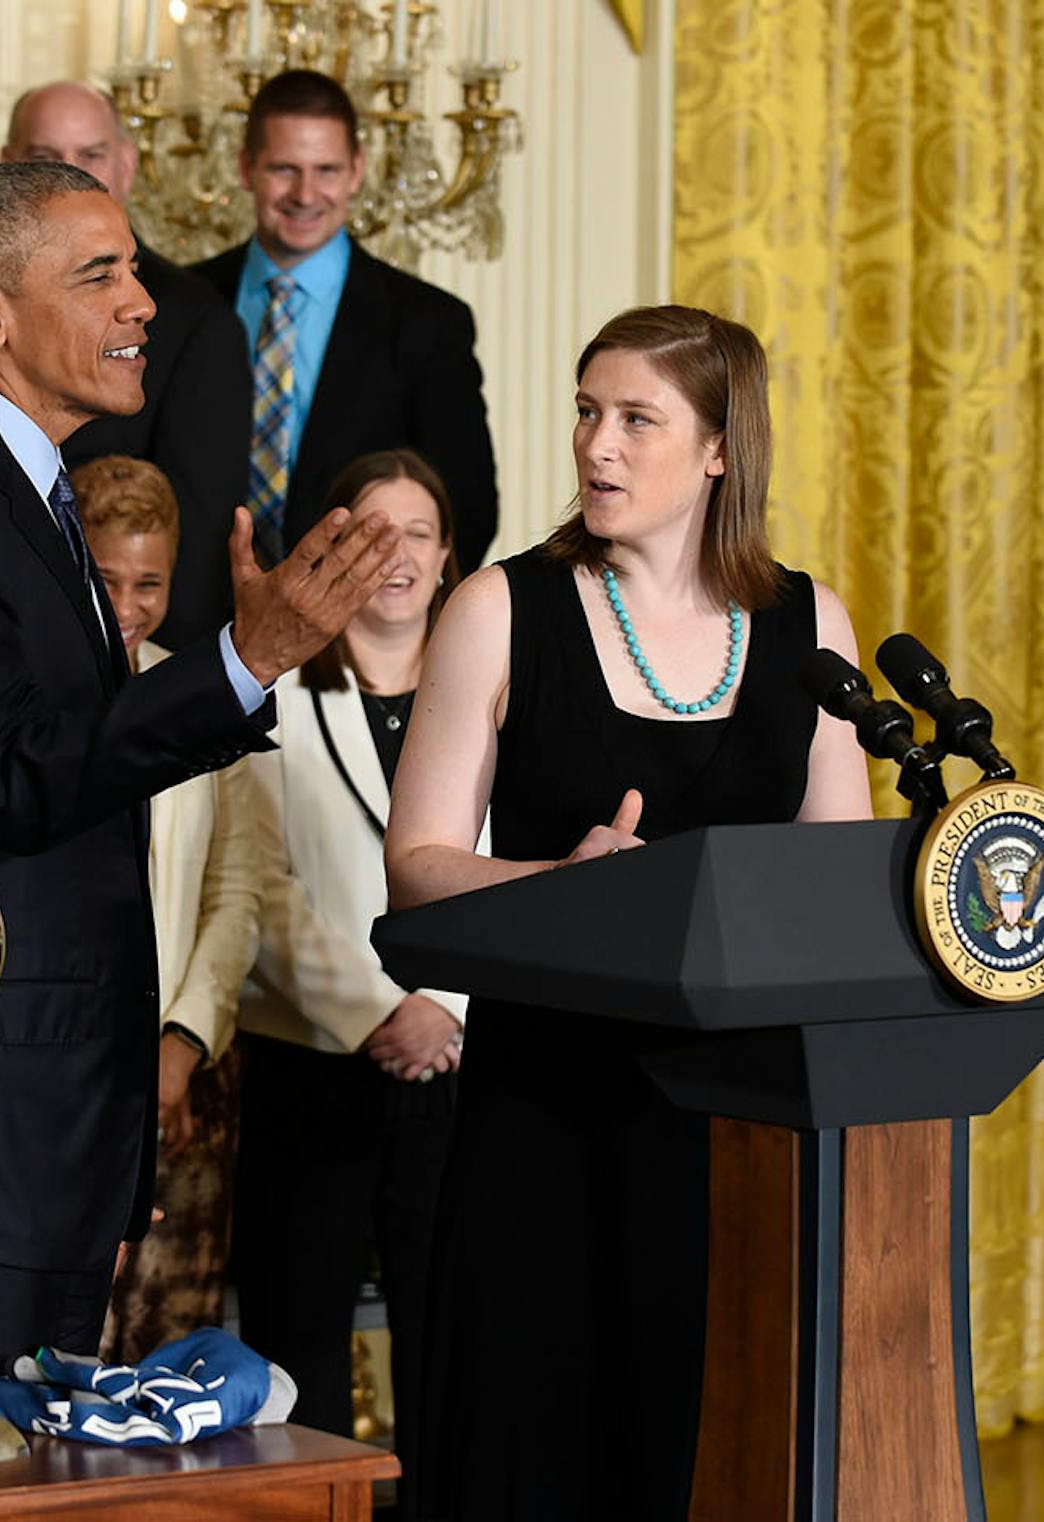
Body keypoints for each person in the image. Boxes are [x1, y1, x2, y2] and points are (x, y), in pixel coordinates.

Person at [0, 159, 402, 1359]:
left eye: (135, 269)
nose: (143, 301)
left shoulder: (25, 492)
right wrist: (246, 657)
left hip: (53, 1121)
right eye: (101, 275)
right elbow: (19, 776)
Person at [384, 305, 872, 1519]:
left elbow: (844, 881)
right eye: (587, 413)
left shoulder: (813, 628)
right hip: (541, 1114)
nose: (597, 446)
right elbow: (418, 865)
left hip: (743, 1126)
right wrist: (570, 885)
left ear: (719, 449)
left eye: (637, 420)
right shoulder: (499, 609)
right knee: (533, 1453)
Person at [233, 447, 475, 1508]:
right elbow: (260, 887)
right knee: (303, 1339)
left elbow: (513, 871)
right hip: (313, 1064)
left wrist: (448, 1009)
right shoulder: (271, 696)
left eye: (419, 532)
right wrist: (385, 1009)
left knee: (453, 1331)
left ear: (449, 554)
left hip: (463, 1063)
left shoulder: (493, 698)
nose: (398, 553)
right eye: (372, 529)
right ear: (330, 545)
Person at [69, 455, 262, 1361]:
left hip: (180, 1079)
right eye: (106, 579)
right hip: (62, 1070)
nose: (128, 606)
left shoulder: (200, 695)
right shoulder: (31, 701)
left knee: (160, 1364)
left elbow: (234, 893)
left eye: (149, 583)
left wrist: (181, 1042)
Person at [193, 70, 498, 573]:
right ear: (247, 169)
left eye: (327, 170)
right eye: (284, 169)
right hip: (196, 628)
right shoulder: (181, 301)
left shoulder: (428, 323)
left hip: (359, 623)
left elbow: (465, 507)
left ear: (357, 171)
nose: (305, 193)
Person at [6, 80, 252, 651]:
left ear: (126, 163)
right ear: (6, 166)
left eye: (90, 155)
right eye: (45, 158)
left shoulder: (193, 318)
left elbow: (193, 539)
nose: (70, 176)